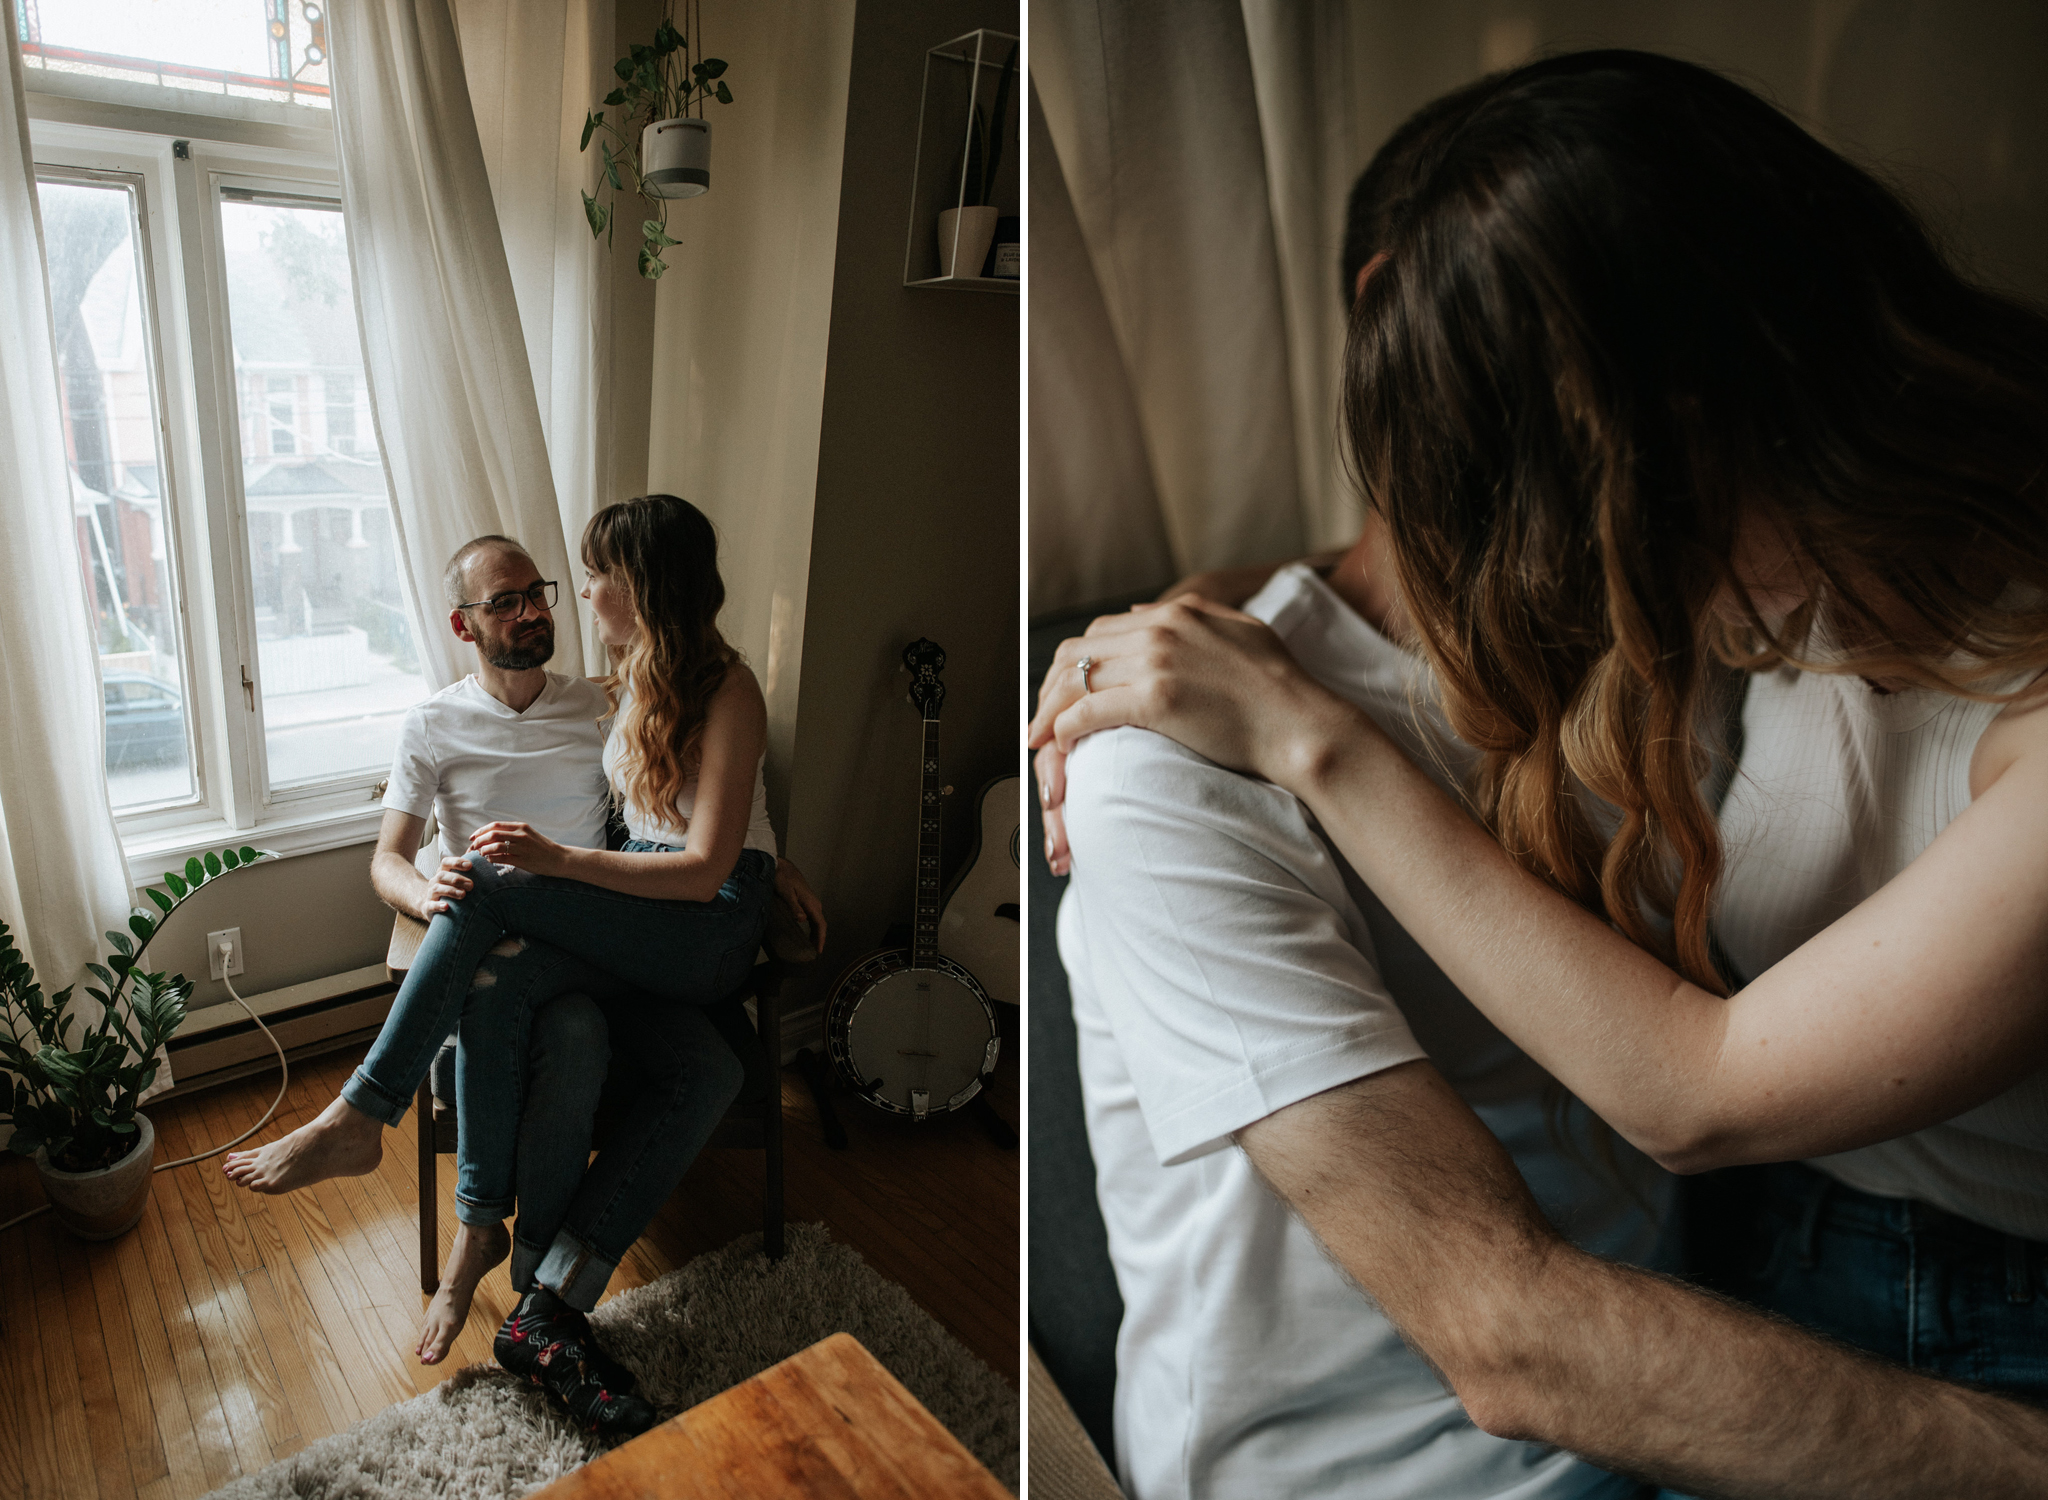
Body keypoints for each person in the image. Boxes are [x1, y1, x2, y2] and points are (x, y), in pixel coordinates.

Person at [1033, 50, 2048, 1494]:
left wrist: (1313, 720)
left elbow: (1699, 1092)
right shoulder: (1183, 764)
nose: (1760, 593)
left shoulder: (1684, 628)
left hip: (1729, 1365)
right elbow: (1507, 1337)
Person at [226, 502, 818, 1433]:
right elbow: (662, 818)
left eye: (584, 578)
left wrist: (570, 862)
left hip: (699, 919)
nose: (570, 597)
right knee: (693, 1060)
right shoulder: (625, 686)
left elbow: (706, 861)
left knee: (493, 888)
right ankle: (544, 1300)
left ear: (641, 585)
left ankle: (361, 1112)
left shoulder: (715, 685)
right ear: (467, 623)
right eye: (528, 594)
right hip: (641, 919)